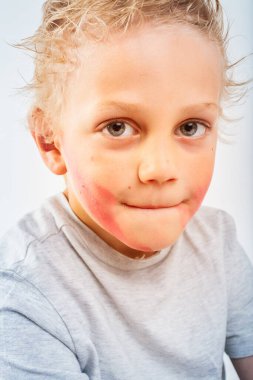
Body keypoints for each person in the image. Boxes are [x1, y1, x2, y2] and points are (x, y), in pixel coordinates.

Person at [0, 0, 252, 379]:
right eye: (118, 127)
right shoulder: (25, 295)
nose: (160, 169)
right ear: (51, 142)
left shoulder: (217, 242)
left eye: (189, 127)